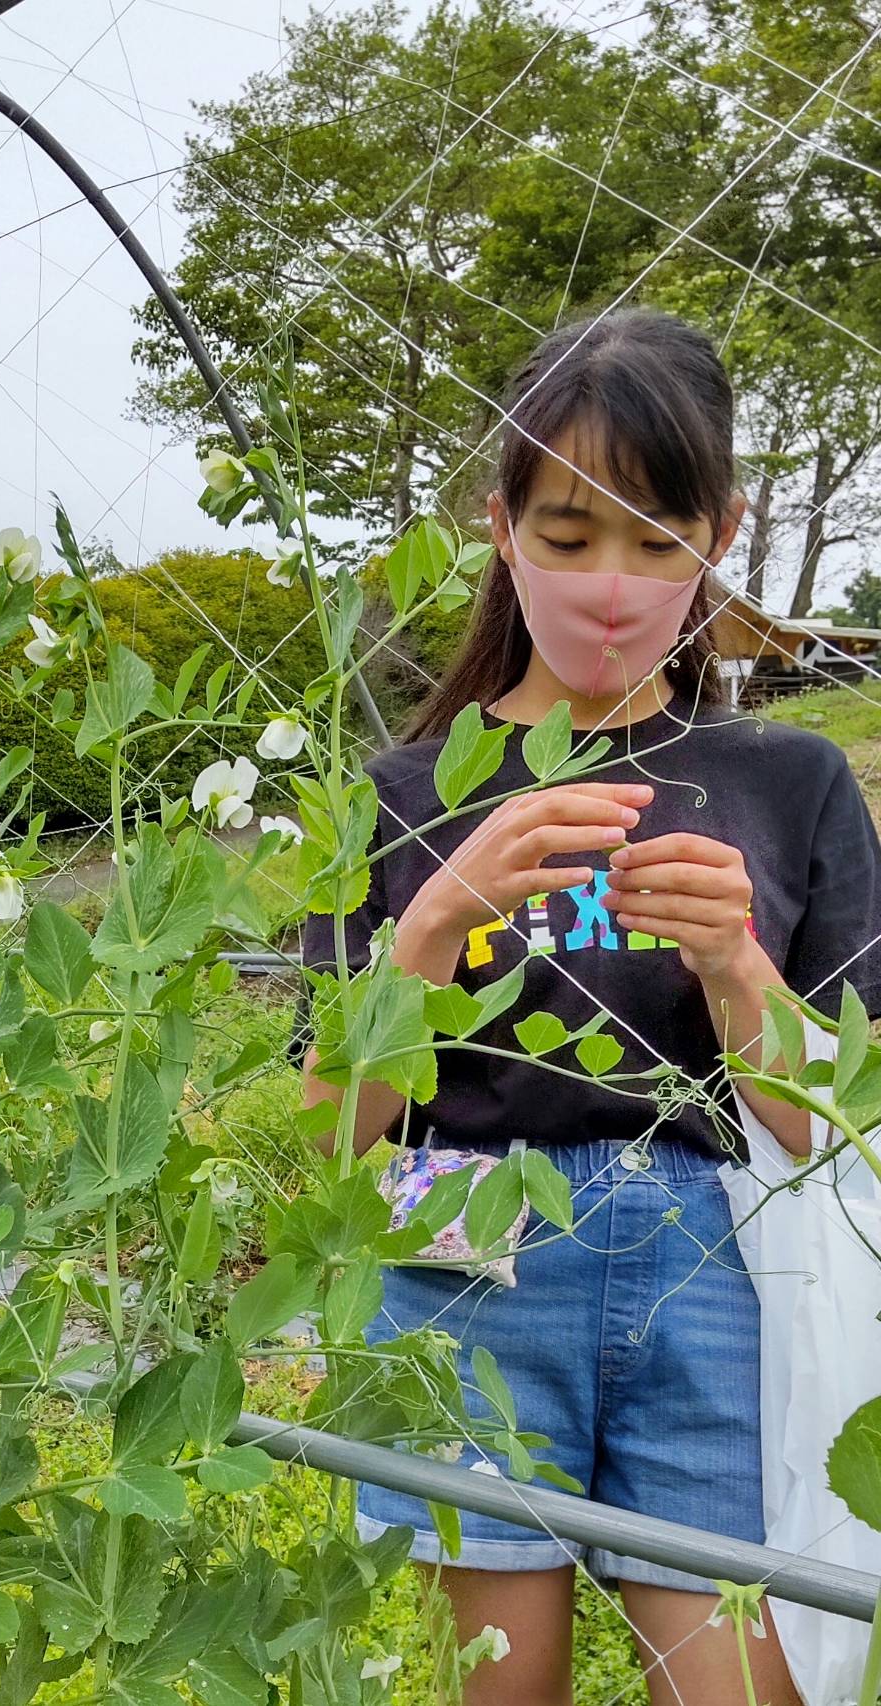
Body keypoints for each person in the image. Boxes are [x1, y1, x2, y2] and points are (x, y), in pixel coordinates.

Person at [293, 308, 881, 1706]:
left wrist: (737, 965)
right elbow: (327, 1139)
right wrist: (432, 924)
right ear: (502, 530)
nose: (612, 588)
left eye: (658, 542)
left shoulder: (790, 781)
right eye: (568, 535)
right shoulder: (397, 796)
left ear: (722, 536)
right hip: (463, 1273)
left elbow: (836, 1128)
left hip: (712, 1279)